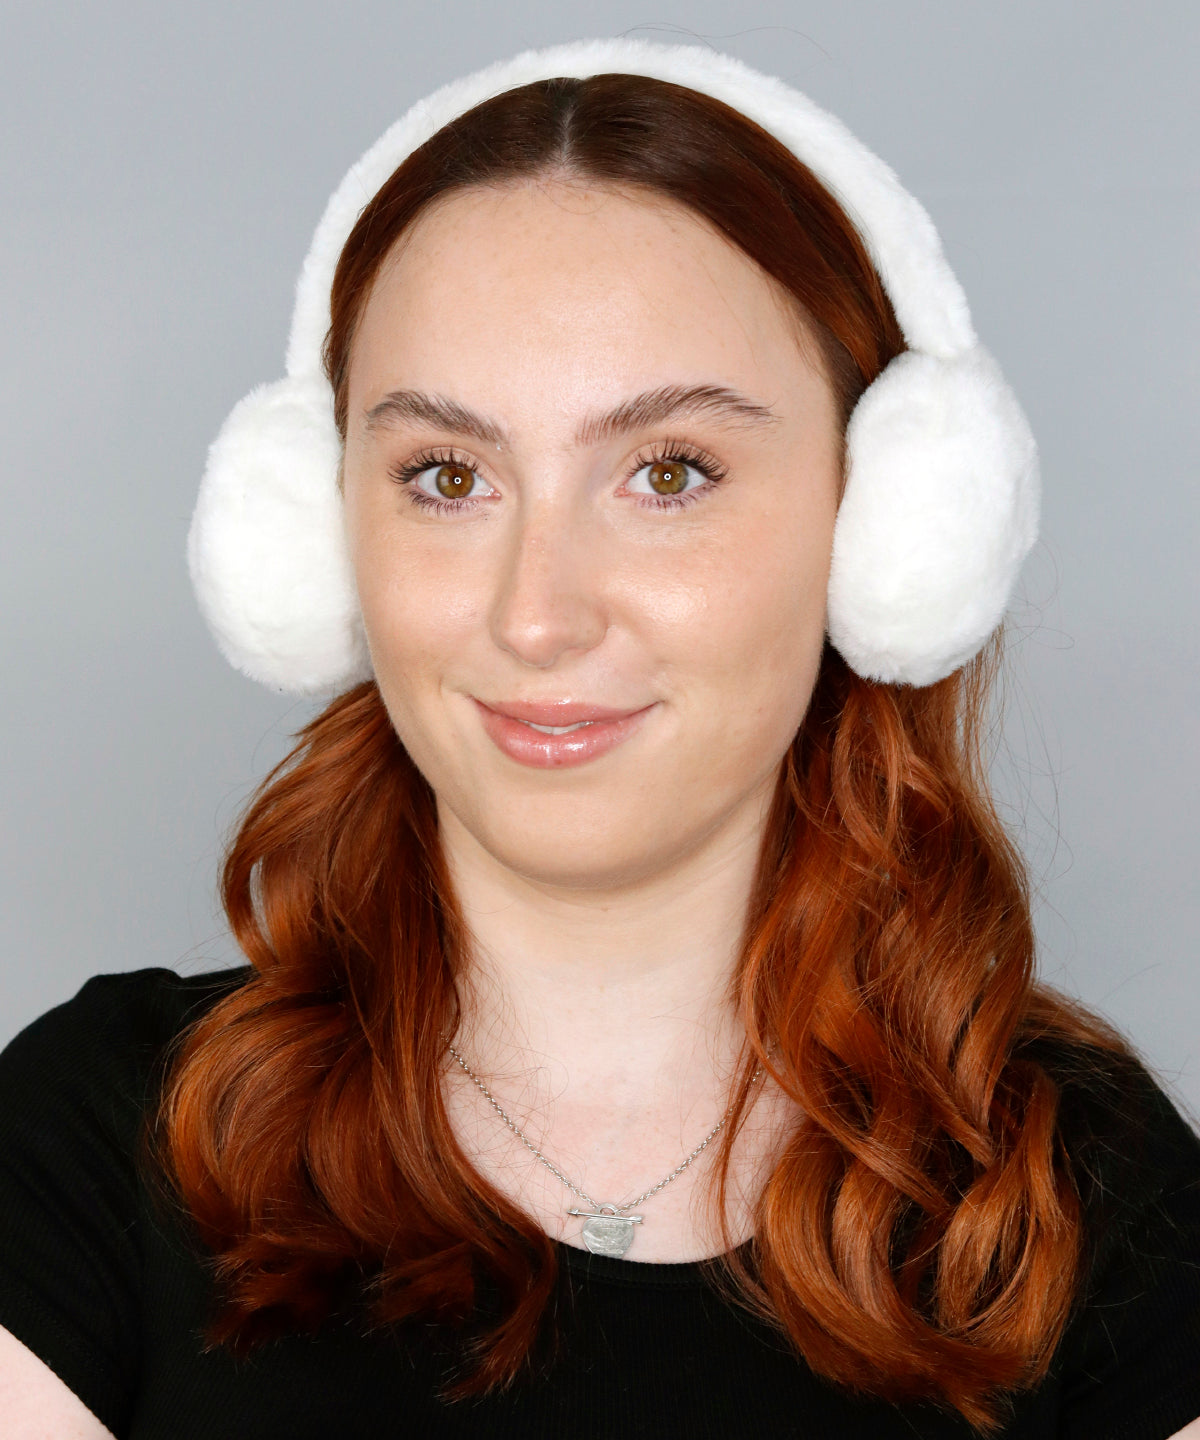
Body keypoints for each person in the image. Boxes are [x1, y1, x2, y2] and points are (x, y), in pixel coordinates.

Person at [1, 37, 1197, 1440]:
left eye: (668, 472)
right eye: (447, 476)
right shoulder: (103, 1139)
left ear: (883, 527)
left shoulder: (1080, 1194)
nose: (538, 616)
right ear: (321, 537)